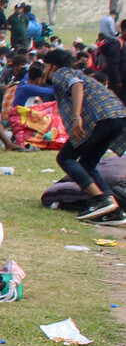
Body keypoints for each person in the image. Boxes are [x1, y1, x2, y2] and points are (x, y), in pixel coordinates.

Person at [42, 48, 126, 220]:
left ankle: (100, 199)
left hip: (101, 119)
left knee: (66, 158)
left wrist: (76, 117)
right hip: (117, 117)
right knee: (88, 163)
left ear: (51, 66)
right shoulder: (82, 74)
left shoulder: (62, 73)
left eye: (45, 67)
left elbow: (76, 85)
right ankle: (113, 209)